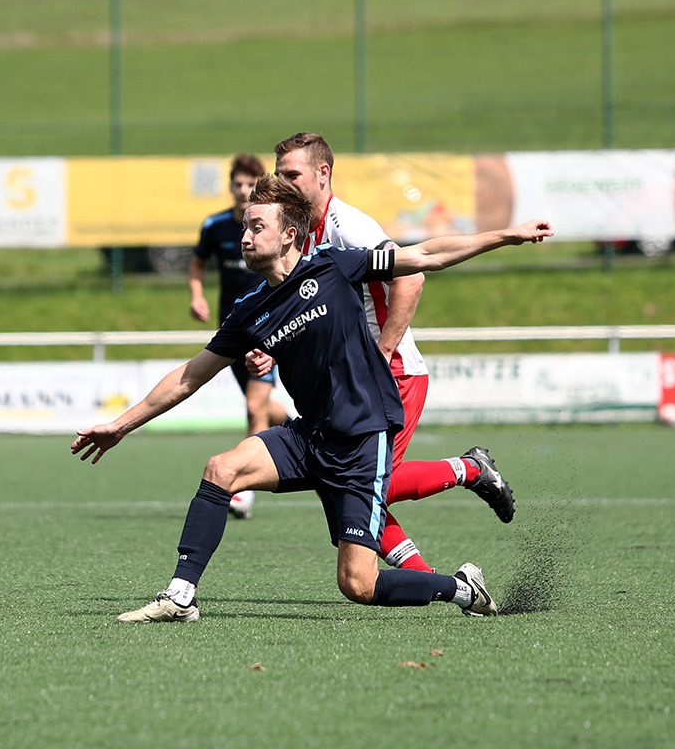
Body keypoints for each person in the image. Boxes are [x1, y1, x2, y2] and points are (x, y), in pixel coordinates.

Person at [72, 174, 553, 622]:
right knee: (222, 468)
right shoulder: (249, 310)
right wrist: (120, 425)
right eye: (244, 227)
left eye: (256, 227)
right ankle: (180, 596)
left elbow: (425, 255)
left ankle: (461, 588)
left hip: (362, 441)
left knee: (358, 585)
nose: (244, 238)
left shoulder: (334, 265)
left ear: (288, 235)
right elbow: (189, 376)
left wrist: (506, 235)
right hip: (310, 436)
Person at [257, 132, 514, 575]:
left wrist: (382, 351)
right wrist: (275, 349)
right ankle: (424, 578)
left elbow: (411, 277)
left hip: (391, 374)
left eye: (292, 174)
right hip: (350, 382)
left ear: (323, 173)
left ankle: (469, 470)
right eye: (279, 174)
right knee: (340, 487)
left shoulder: (348, 227)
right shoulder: (301, 232)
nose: (284, 183)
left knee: (364, 485)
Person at [187, 153, 287, 520]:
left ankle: (245, 489)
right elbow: (197, 264)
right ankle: (300, 427)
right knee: (263, 407)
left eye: (250, 184)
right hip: (233, 332)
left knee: (254, 407)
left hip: (269, 329)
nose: (243, 190)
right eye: (238, 184)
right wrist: (197, 296)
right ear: (230, 186)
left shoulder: (272, 225)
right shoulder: (214, 226)